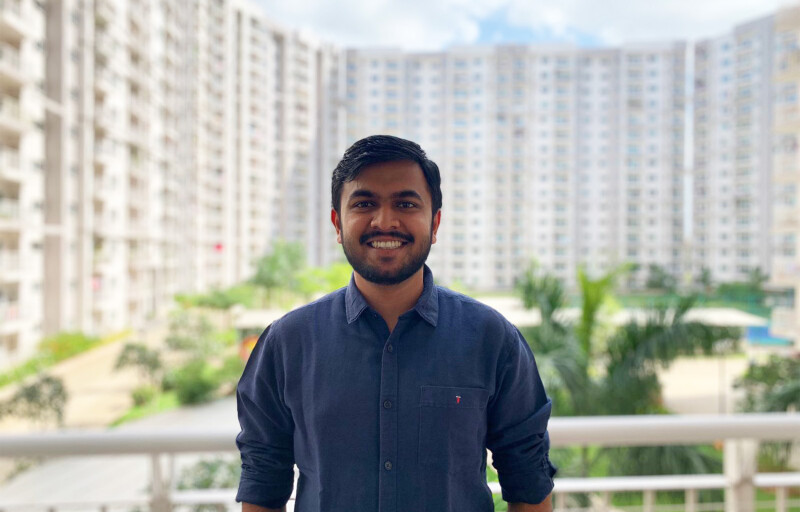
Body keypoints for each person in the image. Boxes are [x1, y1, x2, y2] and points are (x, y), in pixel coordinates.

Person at [236, 135, 556, 512]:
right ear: (338, 224)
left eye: (405, 203)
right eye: (364, 203)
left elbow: (528, 481)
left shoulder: (492, 339)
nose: (385, 221)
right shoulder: (286, 344)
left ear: (434, 223)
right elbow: (263, 482)